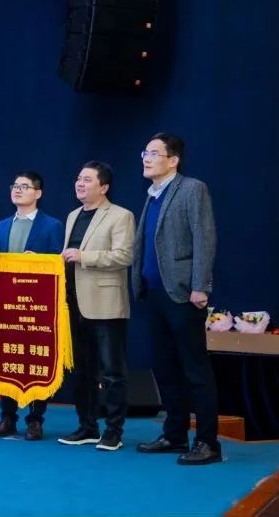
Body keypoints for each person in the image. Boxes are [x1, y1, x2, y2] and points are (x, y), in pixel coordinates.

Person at [133, 133, 221, 465]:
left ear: (173, 160)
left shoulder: (192, 189)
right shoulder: (152, 194)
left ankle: (208, 442)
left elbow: (204, 239)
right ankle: (174, 434)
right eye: (145, 152)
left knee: (195, 370)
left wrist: (200, 286)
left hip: (183, 293)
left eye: (154, 153)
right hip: (154, 294)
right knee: (165, 368)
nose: (146, 158)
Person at [57, 161, 134, 452]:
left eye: (87, 180)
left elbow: (124, 256)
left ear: (104, 187)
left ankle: (113, 431)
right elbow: (67, 257)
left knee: (112, 372)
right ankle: (87, 427)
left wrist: (84, 256)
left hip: (106, 304)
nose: (80, 183)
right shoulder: (72, 215)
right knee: (83, 371)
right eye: (78, 178)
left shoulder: (121, 215)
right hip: (74, 304)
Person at [0, 171, 65, 441]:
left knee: (36, 359)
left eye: (24, 186)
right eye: (15, 186)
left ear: (38, 193)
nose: (18, 190)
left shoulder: (52, 226)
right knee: (7, 357)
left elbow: (59, 264)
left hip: (38, 307)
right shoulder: (1, 226)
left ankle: (35, 420)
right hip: (7, 305)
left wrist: (39, 261)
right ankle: (7, 417)